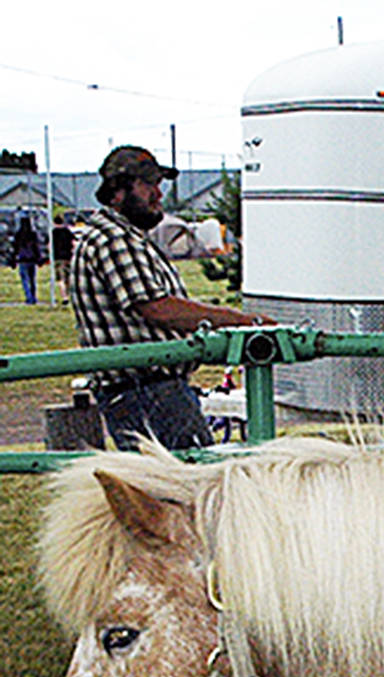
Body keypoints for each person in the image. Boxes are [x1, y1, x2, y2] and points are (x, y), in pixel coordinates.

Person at [69, 145, 273, 451]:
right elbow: (158, 308)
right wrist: (243, 322)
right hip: (147, 391)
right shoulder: (114, 239)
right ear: (118, 192)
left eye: (158, 185)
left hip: (148, 391)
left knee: (174, 486)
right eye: (148, 185)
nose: (158, 194)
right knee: (188, 487)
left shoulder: (124, 237)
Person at [9, 215, 41, 304]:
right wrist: (39, 258)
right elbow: (36, 247)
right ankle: (34, 297)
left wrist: (13, 260)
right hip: (32, 259)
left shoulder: (19, 235)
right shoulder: (33, 234)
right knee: (32, 279)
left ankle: (28, 297)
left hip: (22, 259)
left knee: (25, 280)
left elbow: (15, 248)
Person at [51, 213, 74, 304]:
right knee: (68, 278)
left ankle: (64, 297)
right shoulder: (67, 231)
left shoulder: (53, 232)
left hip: (57, 258)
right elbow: (73, 242)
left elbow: (49, 245)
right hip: (68, 257)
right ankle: (69, 295)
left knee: (60, 279)